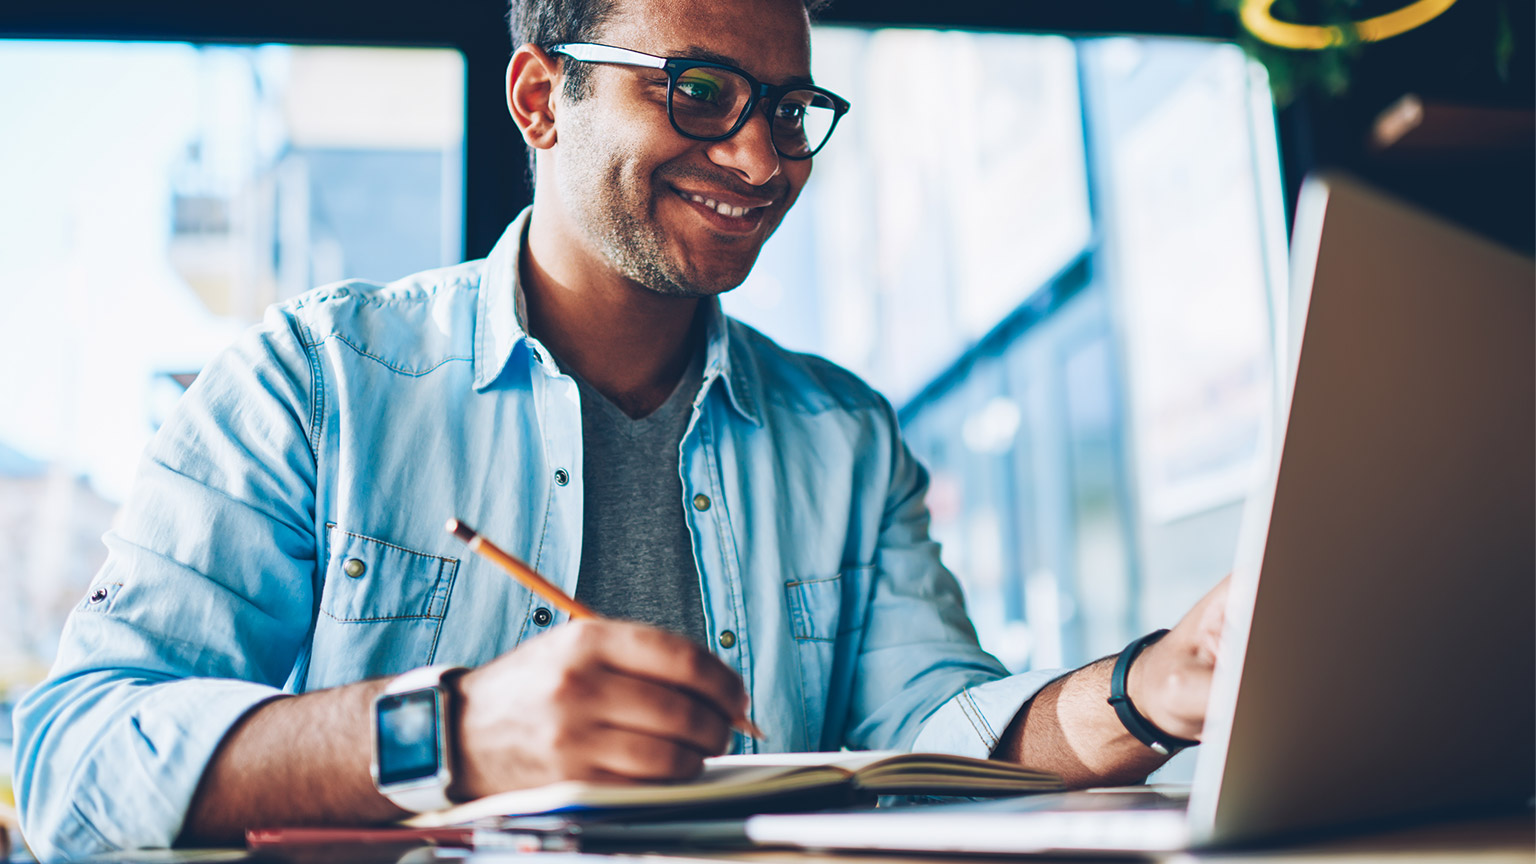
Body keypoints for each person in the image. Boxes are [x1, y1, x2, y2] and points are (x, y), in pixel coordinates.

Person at [12, 0, 1229, 858]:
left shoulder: (846, 440)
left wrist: (1154, 688)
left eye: (793, 109)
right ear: (544, 97)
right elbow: (70, 762)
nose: (763, 158)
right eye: (700, 91)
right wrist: (457, 734)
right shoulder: (316, 381)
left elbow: (940, 747)